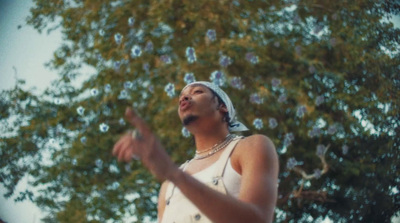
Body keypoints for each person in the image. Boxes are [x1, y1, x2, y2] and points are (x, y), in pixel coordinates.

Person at [112, 81, 279, 223]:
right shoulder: (167, 186)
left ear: (222, 107)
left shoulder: (250, 146)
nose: (184, 98)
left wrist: (173, 173)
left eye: (197, 92)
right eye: (181, 98)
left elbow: (258, 219)